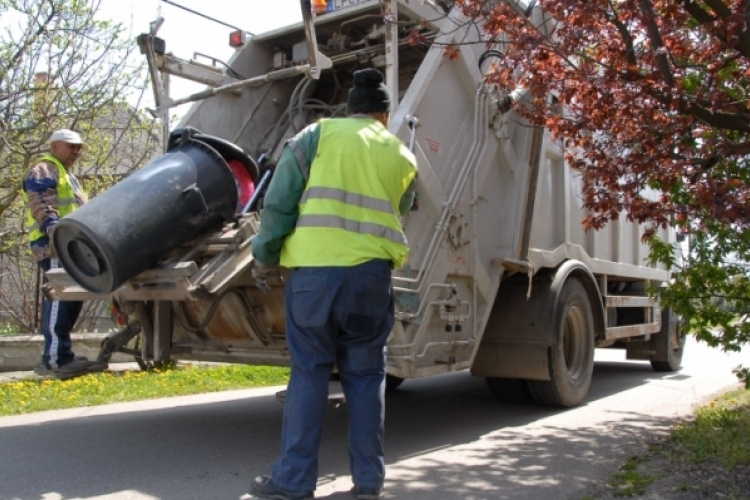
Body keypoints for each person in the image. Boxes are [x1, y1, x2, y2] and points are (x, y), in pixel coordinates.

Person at [248, 68, 418, 500]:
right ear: (383, 114)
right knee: (366, 377)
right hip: (371, 281)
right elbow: (406, 205)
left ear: (350, 108)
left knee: (309, 376)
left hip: (315, 280)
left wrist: (266, 255)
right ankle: (368, 482)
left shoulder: (315, 136)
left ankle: (293, 483)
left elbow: (279, 202)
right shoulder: (401, 153)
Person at [22, 129, 107, 379]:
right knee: (60, 299)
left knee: (71, 299)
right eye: (71, 146)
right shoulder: (44, 169)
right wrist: (55, 230)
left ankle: (62, 354)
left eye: (79, 147)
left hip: (70, 245)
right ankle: (55, 360)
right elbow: (41, 202)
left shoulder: (67, 175)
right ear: (54, 146)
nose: (76, 151)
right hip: (55, 245)